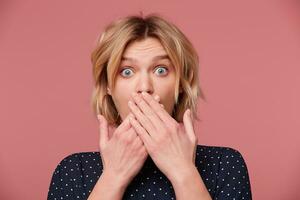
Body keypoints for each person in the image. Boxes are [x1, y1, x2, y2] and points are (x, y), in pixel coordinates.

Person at [47, 13, 252, 200]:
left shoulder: (224, 165)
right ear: (107, 85)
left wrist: (183, 171)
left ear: (182, 83)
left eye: (161, 70)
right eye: (126, 71)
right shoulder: (74, 170)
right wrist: (113, 177)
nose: (144, 87)